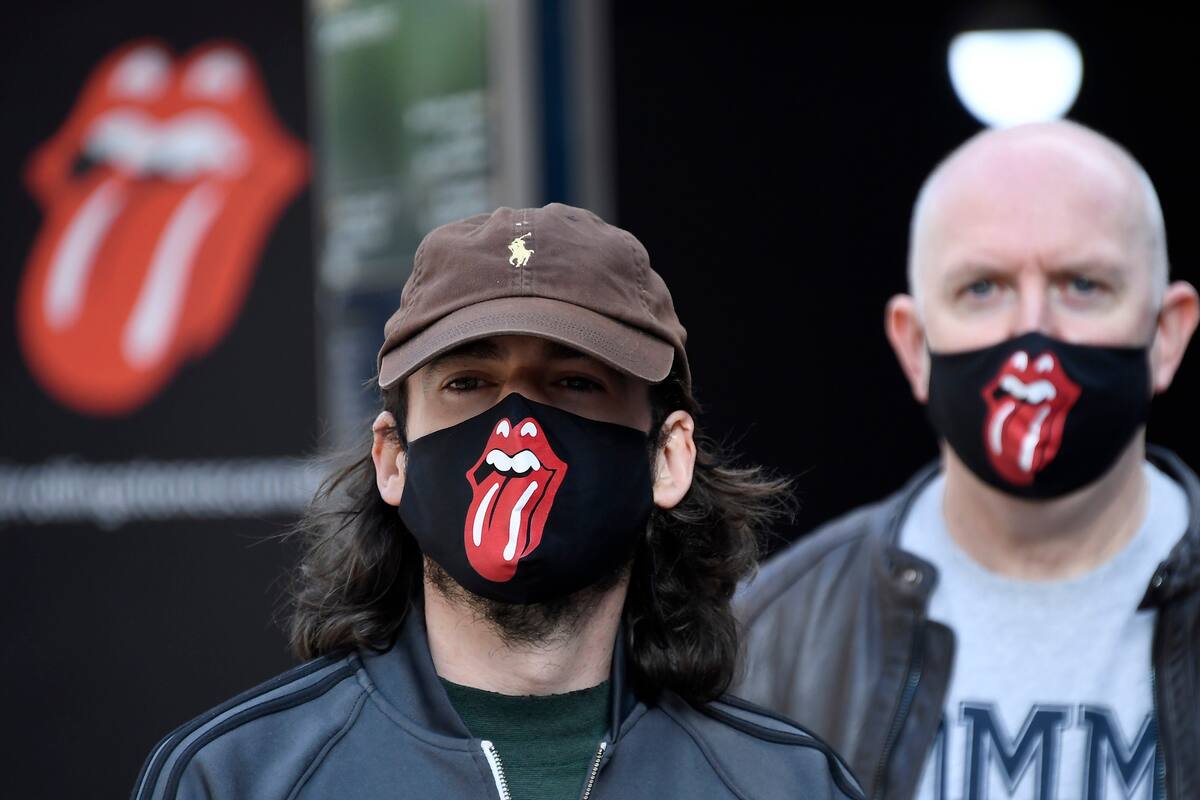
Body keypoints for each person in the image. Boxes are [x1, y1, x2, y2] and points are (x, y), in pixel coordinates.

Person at [132, 203, 863, 799]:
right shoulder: (237, 779)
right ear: (393, 458)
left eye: (575, 382)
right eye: (468, 383)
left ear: (667, 458)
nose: (516, 425)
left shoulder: (784, 785)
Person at [734, 121, 1200, 800]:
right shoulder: (772, 638)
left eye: (1084, 284)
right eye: (983, 288)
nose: (1031, 332)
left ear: (1166, 332)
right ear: (914, 344)